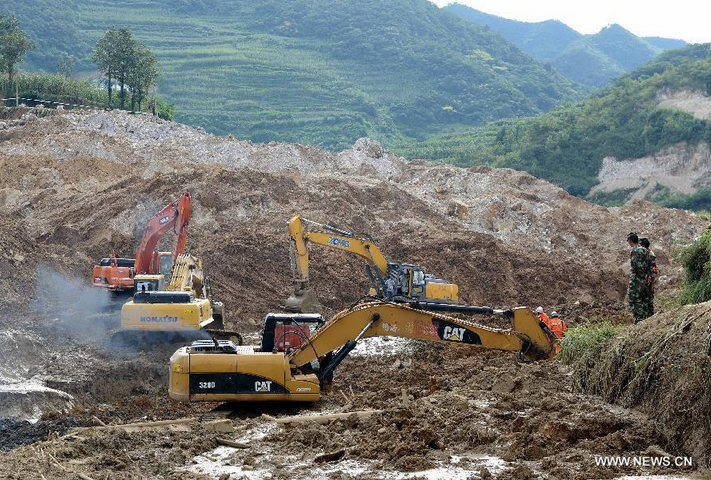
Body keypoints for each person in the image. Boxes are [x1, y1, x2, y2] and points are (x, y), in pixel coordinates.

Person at [627, 232, 651, 323]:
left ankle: (639, 320)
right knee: (643, 301)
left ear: (630, 240)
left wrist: (640, 276)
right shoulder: (645, 250)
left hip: (637, 280)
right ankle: (645, 320)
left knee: (634, 300)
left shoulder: (635, 251)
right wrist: (646, 276)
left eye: (628, 241)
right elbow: (649, 265)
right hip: (644, 280)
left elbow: (637, 265)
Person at [639, 238, 657, 318]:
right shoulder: (649, 253)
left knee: (647, 299)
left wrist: (651, 284)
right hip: (648, 279)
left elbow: (653, 271)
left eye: (640, 245)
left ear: (643, 245)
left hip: (648, 279)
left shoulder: (649, 255)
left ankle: (648, 317)